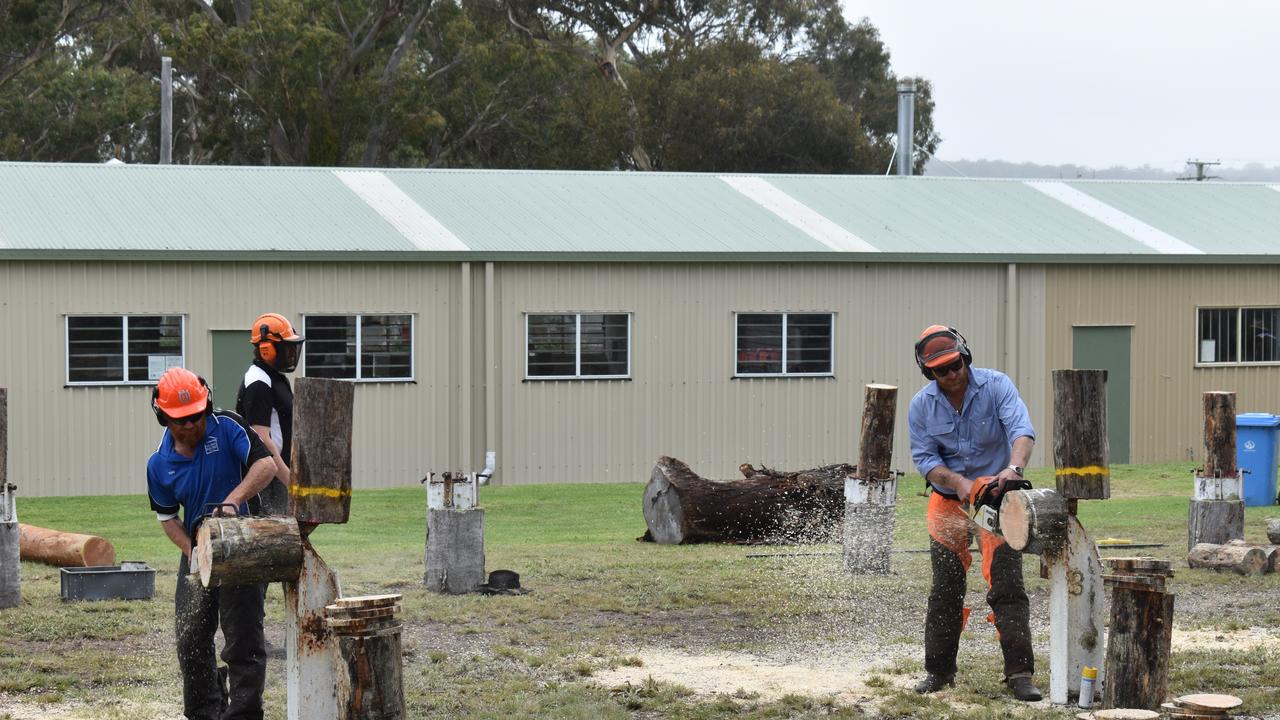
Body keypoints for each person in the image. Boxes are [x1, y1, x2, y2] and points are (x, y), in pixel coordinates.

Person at [907, 325, 1041, 702]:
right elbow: (925, 460)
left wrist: (1012, 469)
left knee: (1008, 585)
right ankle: (938, 671)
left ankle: (1019, 673)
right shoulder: (921, 405)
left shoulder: (996, 385)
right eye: (940, 371)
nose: (951, 375)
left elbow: (1022, 430)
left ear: (965, 357)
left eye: (954, 365)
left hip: (996, 499)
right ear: (929, 372)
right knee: (945, 588)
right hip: (948, 501)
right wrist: (960, 483)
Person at [146, 367, 277, 720]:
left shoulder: (227, 426)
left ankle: (245, 714)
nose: (191, 425)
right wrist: (193, 553)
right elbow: (167, 519)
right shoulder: (159, 465)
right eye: (181, 419)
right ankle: (205, 711)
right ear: (163, 416)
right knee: (190, 638)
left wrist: (234, 499)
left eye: (196, 415)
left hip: (242, 545)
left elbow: (265, 465)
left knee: (243, 640)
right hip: (197, 551)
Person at [235, 313, 305, 515]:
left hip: (278, 474)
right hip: (269, 477)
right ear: (267, 349)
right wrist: (289, 480)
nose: (292, 353)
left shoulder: (275, 378)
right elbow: (262, 438)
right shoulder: (259, 382)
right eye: (287, 347)